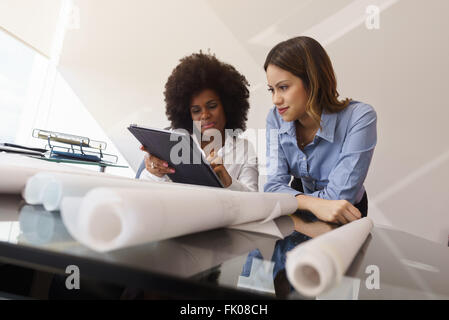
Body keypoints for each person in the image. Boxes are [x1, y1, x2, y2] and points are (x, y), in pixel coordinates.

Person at [264, 36, 377, 224]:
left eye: (283, 87)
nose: (276, 99)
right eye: (272, 90)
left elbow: (338, 198)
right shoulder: (275, 118)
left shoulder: (360, 117)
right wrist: (311, 204)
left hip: (345, 214)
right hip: (300, 207)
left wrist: (294, 199)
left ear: (312, 81)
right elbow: (273, 187)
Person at [139, 52, 258, 192]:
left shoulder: (244, 149)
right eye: (196, 110)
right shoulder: (175, 141)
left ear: (228, 106)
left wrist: (228, 182)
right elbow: (145, 190)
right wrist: (155, 173)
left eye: (212, 106)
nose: (205, 115)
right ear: (187, 114)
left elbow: (254, 200)